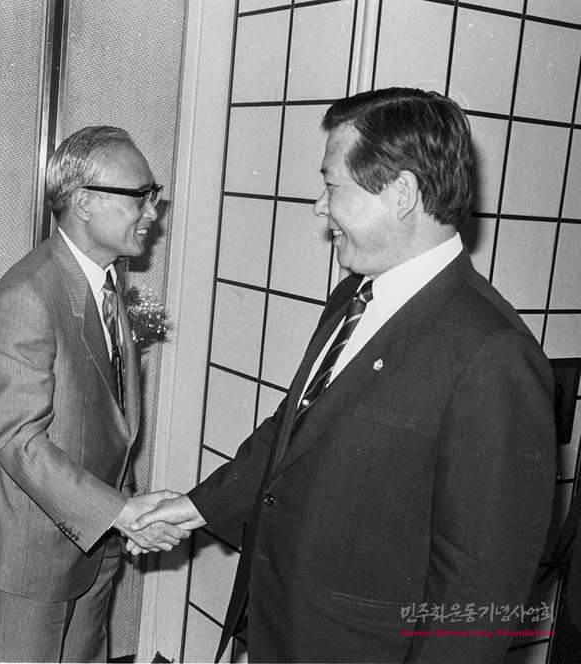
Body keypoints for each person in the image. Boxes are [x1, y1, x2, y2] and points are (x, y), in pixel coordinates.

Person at [136, 88, 556, 662]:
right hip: (280, 631)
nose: (319, 206)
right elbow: (293, 433)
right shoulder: (353, 296)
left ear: (401, 193)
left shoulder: (493, 354)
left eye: (332, 185)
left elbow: (480, 593)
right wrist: (198, 507)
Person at [0, 125, 186, 661]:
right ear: (84, 202)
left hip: (97, 540)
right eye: (140, 196)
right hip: (32, 550)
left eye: (153, 196)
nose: (152, 213)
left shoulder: (106, 281)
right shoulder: (28, 293)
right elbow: (18, 440)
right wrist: (121, 513)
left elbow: (112, 423)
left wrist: (124, 514)